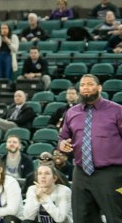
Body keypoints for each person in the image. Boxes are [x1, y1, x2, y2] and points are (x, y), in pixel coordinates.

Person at [57, 74, 122, 222]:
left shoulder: (117, 111)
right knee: (82, 218)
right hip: (81, 172)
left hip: (110, 174)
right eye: (82, 85)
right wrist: (62, 144)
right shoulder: (72, 112)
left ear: (99, 88)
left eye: (90, 84)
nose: (85, 88)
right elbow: (63, 137)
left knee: (116, 217)